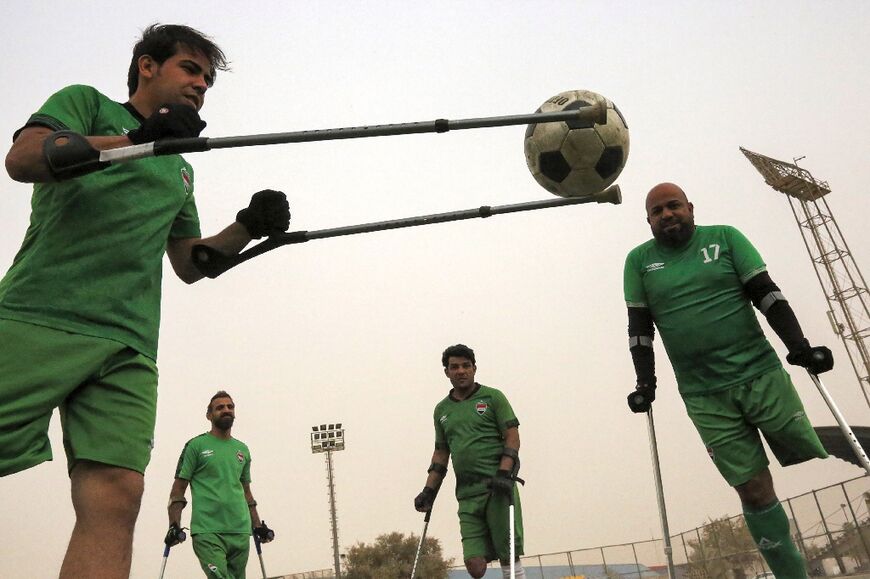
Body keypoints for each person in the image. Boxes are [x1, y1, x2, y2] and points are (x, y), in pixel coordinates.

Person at [0, 24, 289, 577]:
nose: (201, 85)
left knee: (119, 494)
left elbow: (188, 262)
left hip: (129, 347)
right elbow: (25, 158)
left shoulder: (180, 167)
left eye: (207, 80)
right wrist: (141, 138)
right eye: (191, 69)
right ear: (147, 66)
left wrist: (247, 227)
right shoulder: (86, 104)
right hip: (40, 316)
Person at [623, 182, 834, 578]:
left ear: (690, 207)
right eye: (657, 211)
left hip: (760, 373)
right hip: (704, 395)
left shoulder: (725, 239)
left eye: (674, 206)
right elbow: (639, 330)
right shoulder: (638, 262)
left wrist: (799, 346)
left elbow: (766, 294)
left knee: (808, 448)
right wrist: (645, 382)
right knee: (752, 490)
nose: (667, 215)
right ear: (648, 221)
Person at [414, 344, 526, 579]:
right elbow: (441, 453)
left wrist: (505, 473)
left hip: (497, 487)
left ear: (474, 368)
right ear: (446, 372)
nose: (461, 371)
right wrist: (428, 490)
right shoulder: (441, 410)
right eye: (454, 367)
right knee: (475, 566)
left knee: (508, 554)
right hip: (466, 494)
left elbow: (512, 436)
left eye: (466, 366)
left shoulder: (493, 397)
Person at [166, 391, 274, 578]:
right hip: (207, 530)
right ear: (209, 415)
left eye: (230, 407)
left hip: (240, 529)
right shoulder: (195, 446)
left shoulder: (242, 450)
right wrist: (174, 524)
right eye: (220, 407)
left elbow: (246, 491)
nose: (226, 410)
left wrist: (257, 525)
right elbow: (178, 489)